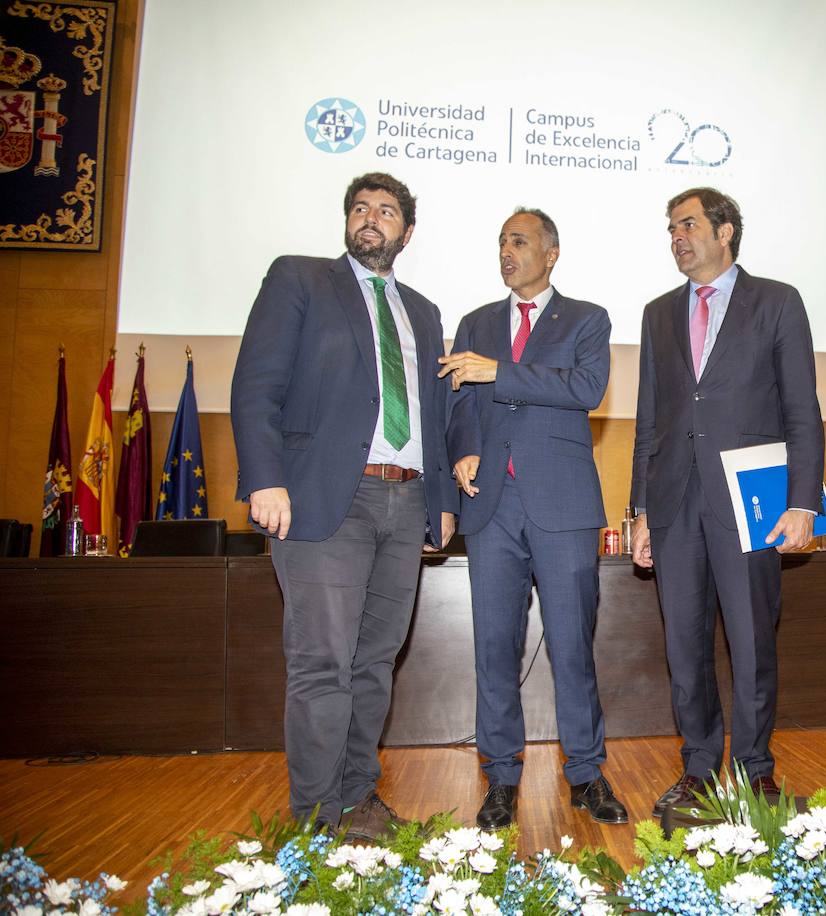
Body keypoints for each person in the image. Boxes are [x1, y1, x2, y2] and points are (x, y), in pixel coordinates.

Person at [230, 172, 457, 839]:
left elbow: (434, 415)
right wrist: (265, 479)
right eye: (360, 208)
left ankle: (358, 801)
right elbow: (255, 384)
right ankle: (316, 821)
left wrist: (440, 502)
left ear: (406, 233)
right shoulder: (300, 279)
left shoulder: (424, 311)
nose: (370, 218)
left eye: (385, 211)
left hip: (406, 500)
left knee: (374, 664)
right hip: (323, 499)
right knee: (322, 662)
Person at [630, 187, 825, 815]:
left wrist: (803, 501)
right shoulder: (658, 314)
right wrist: (640, 511)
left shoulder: (777, 301)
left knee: (751, 640)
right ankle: (698, 768)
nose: (677, 237)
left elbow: (802, 410)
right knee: (684, 646)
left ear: (725, 232)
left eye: (689, 225)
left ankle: (755, 770)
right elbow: (649, 421)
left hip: (750, 501)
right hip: (674, 503)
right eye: (671, 228)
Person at [439, 208, 624, 828]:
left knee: (572, 644)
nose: (506, 250)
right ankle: (500, 776)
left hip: (563, 504)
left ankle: (586, 774)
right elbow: (459, 405)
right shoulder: (475, 323)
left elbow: (586, 387)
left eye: (518, 241)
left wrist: (500, 372)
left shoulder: (588, 319)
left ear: (551, 253)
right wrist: (464, 448)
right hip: (491, 504)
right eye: (501, 241)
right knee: (494, 646)